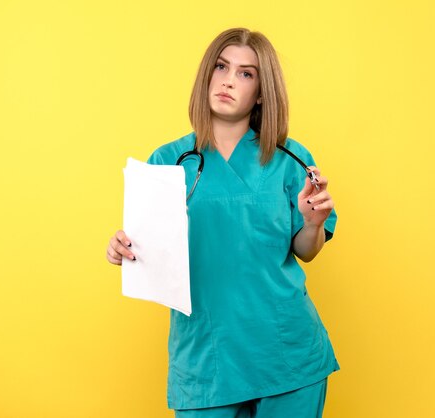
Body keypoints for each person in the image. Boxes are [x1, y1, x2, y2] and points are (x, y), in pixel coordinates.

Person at [106, 28, 338, 418]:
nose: (229, 80)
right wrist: (123, 249)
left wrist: (313, 223)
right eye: (221, 67)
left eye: (246, 74)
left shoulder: (290, 158)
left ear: (262, 92)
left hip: (286, 353)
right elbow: (147, 247)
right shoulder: (168, 160)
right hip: (206, 359)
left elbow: (306, 251)